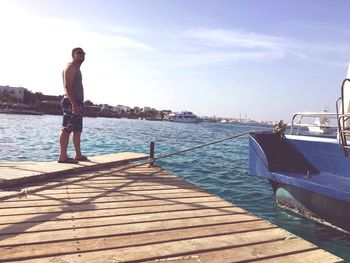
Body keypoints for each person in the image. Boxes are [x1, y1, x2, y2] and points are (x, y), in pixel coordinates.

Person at [58, 47, 89, 163]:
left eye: (83, 53)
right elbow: (67, 87)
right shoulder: (70, 67)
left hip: (77, 103)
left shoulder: (77, 68)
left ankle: (78, 155)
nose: (82, 55)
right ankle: (63, 156)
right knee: (67, 128)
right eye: (79, 53)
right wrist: (74, 104)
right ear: (73, 55)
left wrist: (78, 104)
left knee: (77, 130)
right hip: (71, 102)